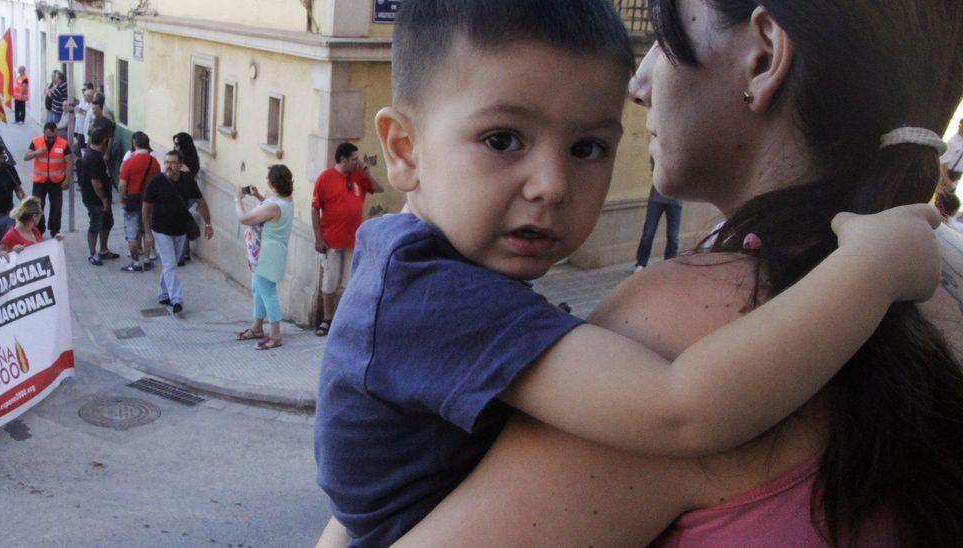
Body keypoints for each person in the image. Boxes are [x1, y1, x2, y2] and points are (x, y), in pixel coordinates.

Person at [311, 1, 952, 546]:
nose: (552, 184)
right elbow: (681, 406)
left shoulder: (422, 272)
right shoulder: (432, 295)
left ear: (761, 58)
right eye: (502, 139)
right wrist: (867, 270)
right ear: (403, 149)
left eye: (588, 148)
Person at [311, 142, 383, 336]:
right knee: (330, 281)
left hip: (353, 241)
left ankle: (345, 319)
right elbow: (315, 208)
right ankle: (327, 319)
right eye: (353, 159)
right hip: (332, 241)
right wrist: (318, 238)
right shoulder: (325, 178)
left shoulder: (359, 175)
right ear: (342, 159)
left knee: (350, 282)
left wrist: (367, 173)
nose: (357, 162)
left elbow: (379, 188)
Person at [142, 150, 213, 314]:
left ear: (180, 165)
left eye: (173, 163)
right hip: (160, 229)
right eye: (166, 162)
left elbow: (201, 202)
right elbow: (146, 207)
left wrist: (208, 223)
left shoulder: (187, 180)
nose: (168, 165)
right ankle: (176, 300)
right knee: (170, 264)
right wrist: (147, 232)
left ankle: (163, 294)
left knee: (170, 264)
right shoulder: (156, 181)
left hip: (181, 230)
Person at [235, 165, 294, 350]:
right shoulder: (285, 199)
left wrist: (238, 199)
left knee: (267, 292)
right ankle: (257, 327)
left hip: (267, 253)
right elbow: (270, 208)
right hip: (269, 251)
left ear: (271, 182)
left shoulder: (274, 205)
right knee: (258, 289)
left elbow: (244, 218)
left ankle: (275, 335)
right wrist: (259, 197)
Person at [118, 132, 160, 272]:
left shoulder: (129, 162)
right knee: (147, 230)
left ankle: (135, 262)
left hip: (132, 201)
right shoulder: (154, 162)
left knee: (132, 234)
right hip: (149, 202)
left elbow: (122, 185)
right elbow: (157, 183)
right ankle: (147, 260)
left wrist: (122, 197)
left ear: (134, 143)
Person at [23, 122, 72, 237]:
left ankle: (55, 230)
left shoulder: (63, 144)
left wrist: (67, 180)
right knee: (37, 207)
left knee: (57, 206)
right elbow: (26, 157)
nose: (51, 139)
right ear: (44, 133)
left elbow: (69, 162)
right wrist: (37, 152)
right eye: (48, 137)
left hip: (56, 181)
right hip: (40, 181)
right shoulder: (36, 141)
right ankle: (39, 229)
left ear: (56, 132)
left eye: (53, 136)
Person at [80, 126, 119, 265]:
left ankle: (103, 250)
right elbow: (96, 183)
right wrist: (103, 199)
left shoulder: (92, 154)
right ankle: (92, 254)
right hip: (95, 200)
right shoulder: (94, 158)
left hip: (99, 199)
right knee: (95, 225)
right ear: (104, 141)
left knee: (107, 223)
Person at [633, 185, 683, 271]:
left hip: (676, 200)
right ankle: (641, 263)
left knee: (673, 236)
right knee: (648, 232)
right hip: (656, 198)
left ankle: (668, 263)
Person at [173, 132, 201, 266]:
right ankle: (184, 252)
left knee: (180, 223)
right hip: (186, 195)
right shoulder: (187, 158)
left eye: (177, 144)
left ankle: (182, 254)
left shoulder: (186, 161)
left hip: (186, 194)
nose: (175, 146)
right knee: (182, 222)